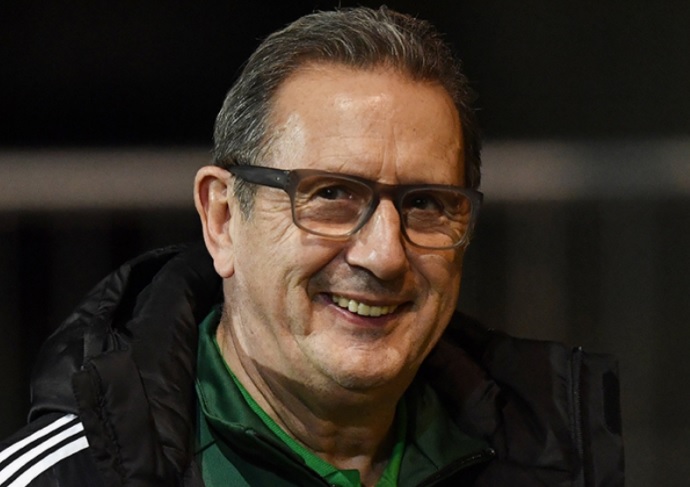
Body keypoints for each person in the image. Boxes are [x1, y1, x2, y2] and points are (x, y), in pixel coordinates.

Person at [0, 6, 623, 486]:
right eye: (331, 194)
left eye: (426, 203)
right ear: (223, 218)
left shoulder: (559, 457)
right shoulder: (75, 474)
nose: (383, 255)